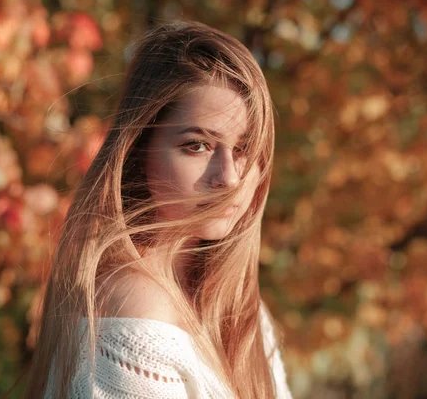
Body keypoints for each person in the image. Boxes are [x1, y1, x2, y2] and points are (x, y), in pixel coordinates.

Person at [24, 21, 293, 398]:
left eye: (244, 149)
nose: (229, 178)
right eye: (197, 146)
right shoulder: (135, 315)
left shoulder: (235, 306)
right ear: (139, 150)